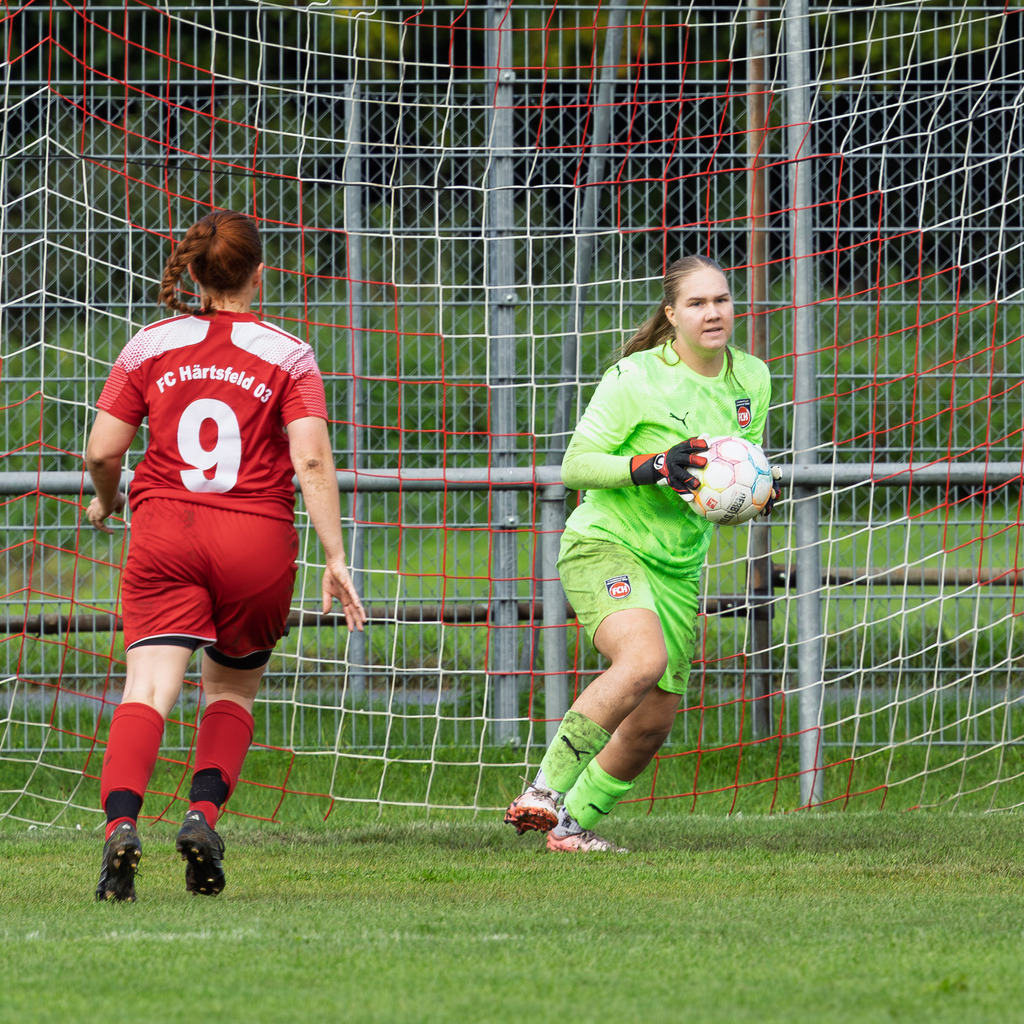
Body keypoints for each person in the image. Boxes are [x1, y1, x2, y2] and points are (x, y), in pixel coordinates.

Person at [86, 210, 365, 901]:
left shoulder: (148, 344)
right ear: (258, 275)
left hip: (167, 533)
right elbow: (311, 460)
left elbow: (101, 450)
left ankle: (122, 826)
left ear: (197, 275)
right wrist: (335, 555)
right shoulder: (289, 354)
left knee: (149, 688)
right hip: (256, 540)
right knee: (232, 690)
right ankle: (201, 816)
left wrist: (107, 497)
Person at [504, 255, 780, 852]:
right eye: (698, 303)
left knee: (652, 723)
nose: (714, 313)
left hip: (679, 564)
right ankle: (543, 792)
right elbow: (575, 465)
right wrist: (654, 466)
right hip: (606, 541)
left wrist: (751, 492)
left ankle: (572, 828)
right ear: (672, 315)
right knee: (641, 658)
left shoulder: (752, 378)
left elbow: (732, 466)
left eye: (722, 300)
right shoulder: (635, 377)